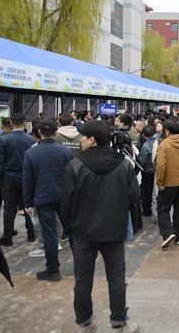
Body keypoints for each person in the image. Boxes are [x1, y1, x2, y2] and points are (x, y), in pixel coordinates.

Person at [61, 120, 139, 333]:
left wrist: (70, 227)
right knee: (116, 279)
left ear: (92, 139)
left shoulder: (75, 165)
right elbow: (134, 197)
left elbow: (66, 204)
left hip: (83, 232)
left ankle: (85, 322)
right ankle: (119, 322)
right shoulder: (124, 164)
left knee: (83, 280)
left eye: (83, 138)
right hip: (114, 231)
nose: (81, 141)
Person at [22, 119, 72, 281]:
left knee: (49, 234)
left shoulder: (30, 153)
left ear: (38, 134)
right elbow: (72, 176)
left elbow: (27, 181)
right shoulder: (66, 152)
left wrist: (27, 203)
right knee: (72, 231)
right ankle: (81, 266)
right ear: (56, 133)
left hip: (42, 198)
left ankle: (53, 270)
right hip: (64, 197)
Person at [0, 113, 35, 246]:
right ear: (25, 123)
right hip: (26, 180)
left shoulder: (4, 140)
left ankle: (7, 238)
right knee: (28, 206)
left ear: (11, 123)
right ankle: (31, 234)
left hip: (9, 179)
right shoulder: (31, 140)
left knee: (9, 208)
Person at [137, 125, 156, 217]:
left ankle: (147, 210)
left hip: (147, 171)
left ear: (144, 135)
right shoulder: (157, 142)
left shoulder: (145, 146)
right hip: (156, 170)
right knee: (154, 190)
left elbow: (142, 160)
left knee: (146, 192)